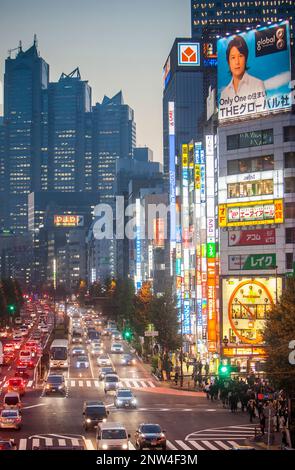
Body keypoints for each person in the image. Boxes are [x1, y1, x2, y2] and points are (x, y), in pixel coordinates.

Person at [220, 35, 267, 117]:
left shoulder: (257, 84)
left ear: (246, 59)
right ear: (228, 62)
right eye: (233, 58)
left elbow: (263, 116)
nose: (237, 62)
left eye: (240, 56)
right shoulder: (224, 94)